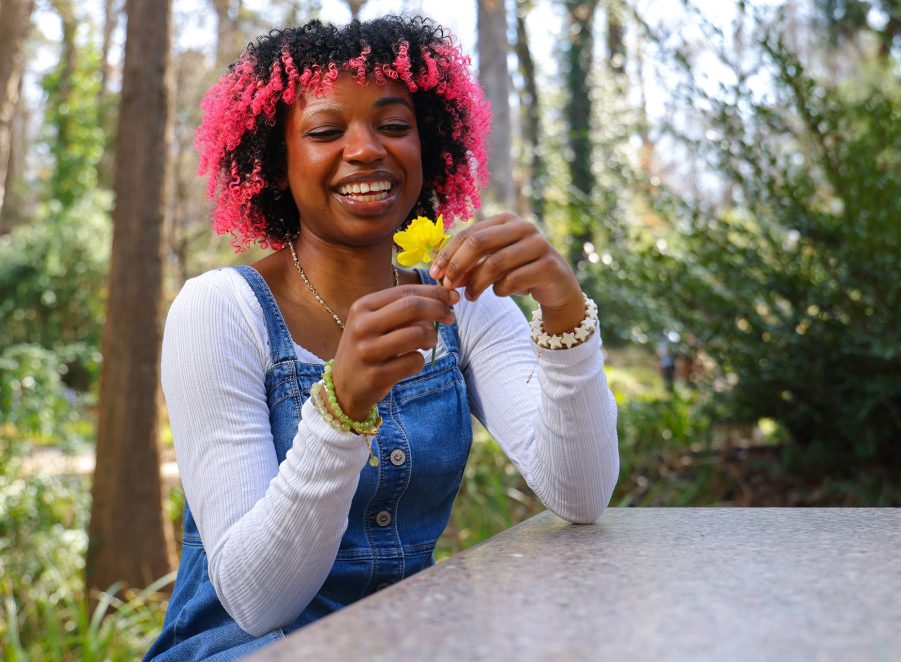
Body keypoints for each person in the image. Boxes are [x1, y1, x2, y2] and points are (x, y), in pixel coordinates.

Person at [145, 15, 618, 660]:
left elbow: (581, 495)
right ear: (277, 165)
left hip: (405, 640)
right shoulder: (221, 311)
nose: (367, 149)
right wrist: (339, 409)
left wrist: (564, 314)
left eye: (394, 126)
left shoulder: (464, 299)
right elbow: (258, 603)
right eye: (325, 131)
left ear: (430, 148)